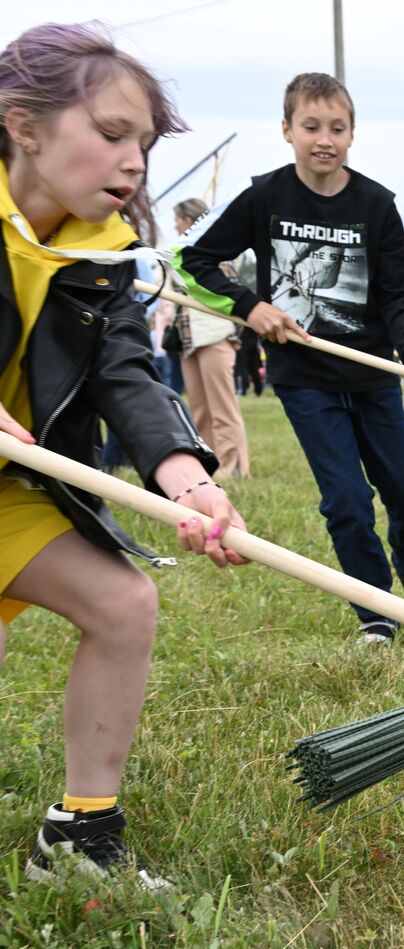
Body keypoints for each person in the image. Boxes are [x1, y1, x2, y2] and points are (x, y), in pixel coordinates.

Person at [0, 22, 247, 887]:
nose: (135, 160)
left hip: (13, 485)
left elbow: (126, 376)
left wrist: (189, 480)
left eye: (141, 140)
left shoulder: (100, 250)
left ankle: (79, 838)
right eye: (111, 134)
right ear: (23, 125)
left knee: (124, 605)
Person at [175, 71, 404, 645]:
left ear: (353, 134)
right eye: (310, 126)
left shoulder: (379, 206)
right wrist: (250, 306)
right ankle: (376, 612)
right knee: (346, 500)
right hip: (305, 380)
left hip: (374, 375)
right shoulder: (263, 196)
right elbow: (191, 257)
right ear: (286, 130)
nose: (323, 138)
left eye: (337, 127)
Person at [172, 199, 251, 478]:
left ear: (191, 220)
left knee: (222, 407)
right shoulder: (178, 253)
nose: (174, 226)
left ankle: (234, 466)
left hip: (215, 335)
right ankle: (212, 463)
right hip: (188, 339)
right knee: (200, 409)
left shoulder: (215, 251)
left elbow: (227, 289)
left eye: (178, 220)